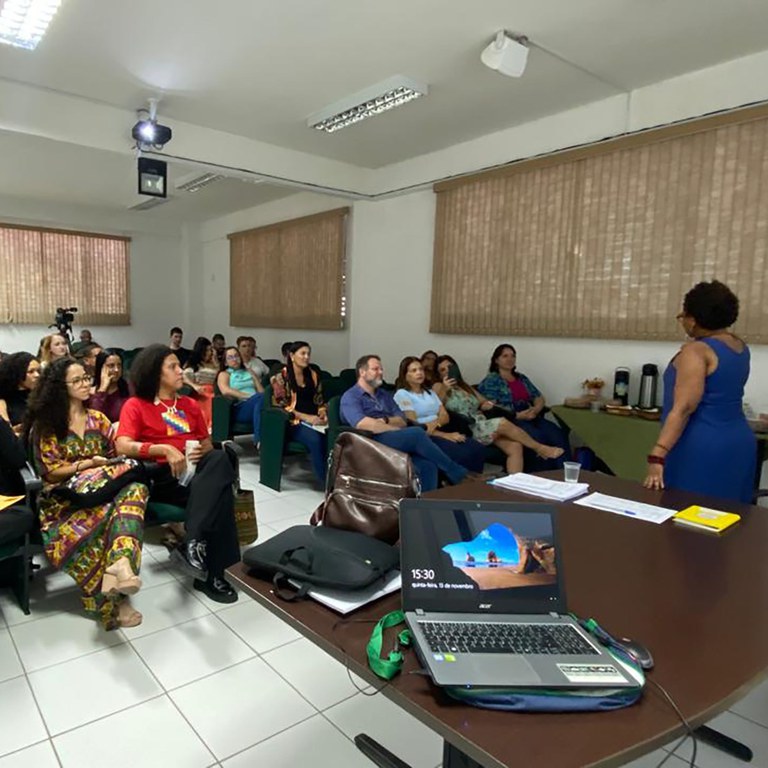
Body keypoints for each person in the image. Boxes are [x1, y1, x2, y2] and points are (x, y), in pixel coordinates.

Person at [23, 358, 148, 630]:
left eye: (86, 378)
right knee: (115, 513)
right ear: (60, 387)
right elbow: (49, 473)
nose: (85, 384)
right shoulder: (47, 426)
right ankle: (114, 589)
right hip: (62, 501)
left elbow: (116, 462)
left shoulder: (98, 420)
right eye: (77, 380)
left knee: (135, 489)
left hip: (101, 490)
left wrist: (106, 466)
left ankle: (121, 567)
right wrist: (87, 464)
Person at [116, 344, 240, 603]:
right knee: (220, 494)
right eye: (172, 367)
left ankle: (194, 544)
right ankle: (214, 574)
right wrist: (163, 448)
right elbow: (123, 444)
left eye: (179, 365)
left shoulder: (189, 405)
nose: (180, 370)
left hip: (194, 473)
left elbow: (205, 442)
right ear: (155, 373)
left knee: (218, 457)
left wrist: (199, 452)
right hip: (161, 475)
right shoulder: (136, 405)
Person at [644, 280, 756, 503]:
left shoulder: (696, 352)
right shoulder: (739, 346)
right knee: (726, 519)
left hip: (700, 445)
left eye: (683, 316)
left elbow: (684, 408)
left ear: (693, 321)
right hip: (738, 442)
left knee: (687, 518)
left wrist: (658, 454)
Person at [340, 355, 469, 492]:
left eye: (381, 369)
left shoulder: (384, 395)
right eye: (375, 369)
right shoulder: (351, 396)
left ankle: (424, 505)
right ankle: (458, 473)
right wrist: (394, 430)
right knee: (416, 433)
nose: (381, 372)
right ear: (362, 372)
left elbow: (401, 420)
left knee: (427, 465)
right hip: (369, 441)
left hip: (390, 437)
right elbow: (363, 424)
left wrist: (386, 421)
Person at [433, 355, 564, 474]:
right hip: (467, 427)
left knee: (515, 447)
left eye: (450, 367)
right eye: (443, 370)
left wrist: (487, 404)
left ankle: (514, 485)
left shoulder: (465, 386)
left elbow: (483, 401)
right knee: (502, 423)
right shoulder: (438, 386)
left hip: (482, 423)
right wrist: (445, 388)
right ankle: (540, 448)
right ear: (439, 375)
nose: (447, 371)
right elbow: (434, 405)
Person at [477, 344, 569, 467]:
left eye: (513, 356)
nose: (510, 359)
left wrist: (536, 409)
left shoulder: (521, 378)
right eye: (505, 356)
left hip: (530, 414)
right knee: (537, 436)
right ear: (496, 360)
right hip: (511, 418)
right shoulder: (491, 381)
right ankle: (541, 475)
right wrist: (517, 415)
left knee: (556, 433)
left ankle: (563, 472)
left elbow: (538, 397)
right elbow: (492, 408)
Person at [394, 356, 485, 473]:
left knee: (477, 448)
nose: (419, 373)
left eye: (421, 369)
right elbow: (413, 423)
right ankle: (459, 483)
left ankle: (477, 485)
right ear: (405, 375)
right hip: (424, 437)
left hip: (438, 428)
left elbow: (445, 417)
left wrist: (435, 424)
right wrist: (444, 435)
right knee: (462, 454)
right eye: (414, 370)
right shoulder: (402, 394)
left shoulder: (429, 392)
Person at [271, 341, 328, 484]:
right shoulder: (280, 378)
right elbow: (281, 406)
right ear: (292, 356)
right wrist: (306, 417)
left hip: (314, 419)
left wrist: (322, 412)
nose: (306, 357)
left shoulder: (313, 375)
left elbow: (320, 400)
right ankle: (326, 482)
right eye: (302, 353)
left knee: (333, 436)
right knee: (315, 439)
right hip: (292, 422)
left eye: (308, 354)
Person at [217, 346, 263, 445]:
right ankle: (259, 441)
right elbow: (225, 390)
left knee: (263, 399)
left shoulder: (249, 372)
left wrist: (254, 377)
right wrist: (248, 396)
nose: (234, 359)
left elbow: (262, 392)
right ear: (225, 362)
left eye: (236, 356)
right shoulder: (224, 374)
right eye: (230, 357)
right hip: (239, 407)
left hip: (257, 403)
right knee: (259, 399)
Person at [183, 336, 219, 430]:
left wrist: (215, 361)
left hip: (213, 390)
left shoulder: (214, 363)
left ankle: (212, 429)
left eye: (211, 350)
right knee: (208, 400)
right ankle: (206, 428)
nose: (210, 352)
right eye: (207, 350)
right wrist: (194, 386)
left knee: (217, 400)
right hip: (200, 391)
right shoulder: (193, 364)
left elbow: (219, 375)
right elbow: (183, 376)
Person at [0, 352, 41, 430]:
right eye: (31, 372)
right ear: (17, 374)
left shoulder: (41, 397)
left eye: (38, 371)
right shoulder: (3, 402)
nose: (37, 375)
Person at [88, 350, 130, 423]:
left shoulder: (129, 389)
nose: (116, 370)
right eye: (111, 366)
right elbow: (93, 420)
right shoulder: (90, 393)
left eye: (119, 365)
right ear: (101, 368)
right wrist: (102, 389)